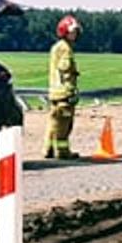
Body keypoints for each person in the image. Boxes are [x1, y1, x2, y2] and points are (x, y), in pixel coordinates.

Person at [46, 15, 82, 160]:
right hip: (64, 93)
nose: (75, 35)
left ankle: (47, 149)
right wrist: (71, 91)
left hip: (54, 92)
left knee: (53, 122)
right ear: (64, 32)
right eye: (72, 32)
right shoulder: (66, 49)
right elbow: (66, 70)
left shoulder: (56, 47)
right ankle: (62, 151)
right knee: (64, 125)